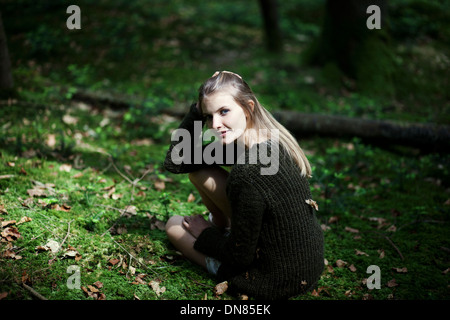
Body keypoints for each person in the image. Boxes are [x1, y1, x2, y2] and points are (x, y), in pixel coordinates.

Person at [163, 71, 324, 299]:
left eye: (224, 111)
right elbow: (177, 160)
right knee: (198, 171)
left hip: (272, 279)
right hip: (306, 263)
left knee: (173, 226)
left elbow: (240, 257)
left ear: (248, 108)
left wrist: (205, 234)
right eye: (209, 116)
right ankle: (224, 226)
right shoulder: (266, 140)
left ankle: (218, 231)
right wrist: (197, 110)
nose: (216, 124)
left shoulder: (248, 172)